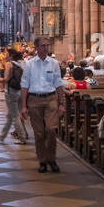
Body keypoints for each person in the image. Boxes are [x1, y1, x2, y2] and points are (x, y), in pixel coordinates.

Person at [21, 36, 65, 173]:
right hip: (34, 100)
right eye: (43, 45)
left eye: (47, 45)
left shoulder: (54, 63)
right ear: (37, 48)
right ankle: (42, 161)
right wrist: (23, 106)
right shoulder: (29, 64)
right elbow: (24, 85)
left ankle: (52, 159)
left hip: (51, 98)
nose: (46, 48)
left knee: (51, 130)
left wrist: (62, 103)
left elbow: (58, 83)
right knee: (39, 133)